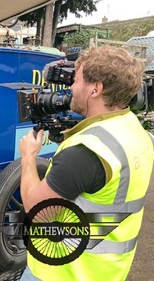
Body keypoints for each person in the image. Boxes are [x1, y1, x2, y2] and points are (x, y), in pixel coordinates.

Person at [19, 45, 154, 280]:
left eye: (77, 80)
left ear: (96, 89)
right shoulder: (136, 131)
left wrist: (28, 157)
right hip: (108, 271)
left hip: (61, 272)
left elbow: (37, 212)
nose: (71, 87)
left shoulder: (86, 151)